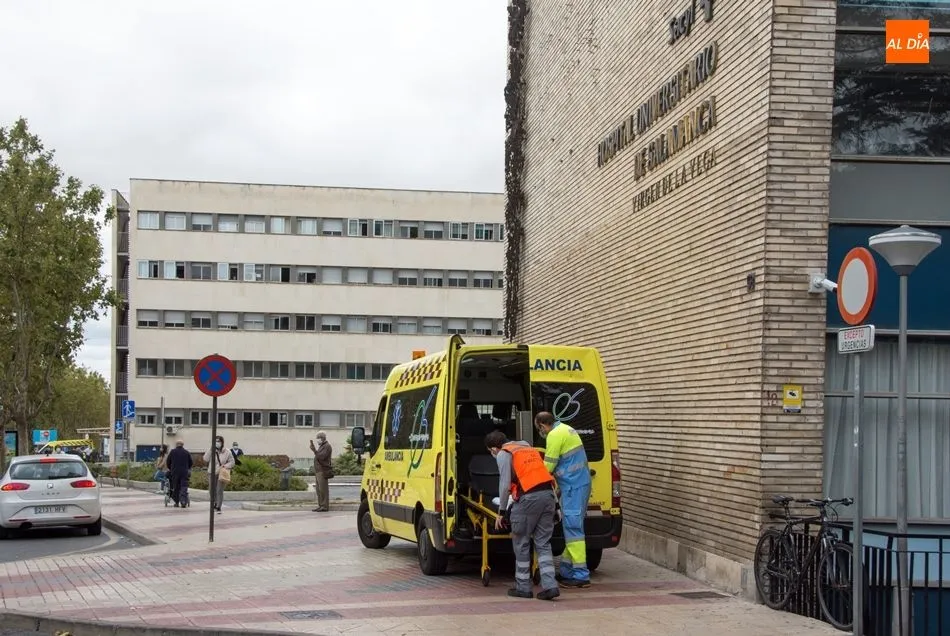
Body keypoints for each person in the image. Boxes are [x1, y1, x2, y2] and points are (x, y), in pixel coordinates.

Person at [485, 430, 560, 601]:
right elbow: (545, 476)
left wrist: (501, 513)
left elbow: (504, 485)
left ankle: (523, 587)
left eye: (491, 452)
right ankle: (550, 586)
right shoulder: (528, 449)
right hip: (548, 496)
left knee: (521, 542)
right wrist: (556, 505)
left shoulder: (504, 454)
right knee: (543, 544)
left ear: (494, 449)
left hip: (528, 499)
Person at [536, 410, 592, 588]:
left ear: (542, 426)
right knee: (572, 530)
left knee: (574, 530)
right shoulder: (567, 429)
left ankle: (581, 576)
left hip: (573, 488)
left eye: (540, 429)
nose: (541, 433)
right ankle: (568, 571)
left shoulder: (554, 435)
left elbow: (548, 466)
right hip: (578, 484)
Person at [204, 435, 235, 514]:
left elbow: (232, 462)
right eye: (216, 441)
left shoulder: (227, 451)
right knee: (211, 489)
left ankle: (218, 506)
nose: (217, 443)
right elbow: (205, 459)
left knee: (219, 490)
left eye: (219, 441)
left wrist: (225, 466)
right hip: (212, 472)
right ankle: (214, 501)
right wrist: (211, 449)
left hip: (221, 473)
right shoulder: (211, 450)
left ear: (222, 442)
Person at [166, 440, 193, 508]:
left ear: (176, 444)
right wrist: (187, 468)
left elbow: (168, 462)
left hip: (175, 472)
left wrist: (171, 468)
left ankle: (177, 502)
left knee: (176, 487)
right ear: (182, 445)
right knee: (184, 487)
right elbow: (191, 462)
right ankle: (183, 501)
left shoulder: (172, 452)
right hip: (184, 472)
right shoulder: (186, 452)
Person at [309, 431, 332, 512]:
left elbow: (321, 457)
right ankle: (321, 505)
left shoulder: (327, 446)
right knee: (319, 490)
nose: (317, 440)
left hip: (322, 470)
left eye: (318, 438)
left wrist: (314, 450)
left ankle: (324, 506)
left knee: (323, 489)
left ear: (322, 438)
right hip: (318, 470)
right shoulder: (322, 446)